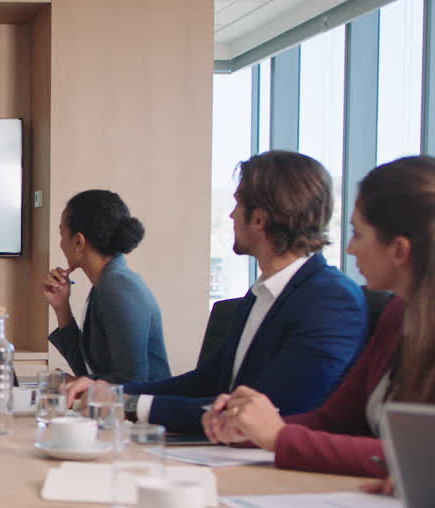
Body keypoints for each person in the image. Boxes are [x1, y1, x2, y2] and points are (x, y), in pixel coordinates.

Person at [66, 151, 368, 435]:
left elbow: (272, 411)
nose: (231, 216)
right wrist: (115, 394)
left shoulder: (330, 300)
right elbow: (209, 380)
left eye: (237, 204)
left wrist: (129, 404)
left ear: (259, 219)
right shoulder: (261, 295)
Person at [204, 156, 435, 491]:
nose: (350, 248)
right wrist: (249, 430)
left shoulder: (336, 299)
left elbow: (420, 460)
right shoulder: (398, 314)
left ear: (399, 250)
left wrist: (279, 437)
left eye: (357, 233)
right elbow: (334, 420)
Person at [42, 190, 170, 384]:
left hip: (142, 411)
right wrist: (61, 307)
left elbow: (132, 382)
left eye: (62, 234)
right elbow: (85, 369)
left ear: (78, 241)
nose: (61, 243)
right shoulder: (106, 283)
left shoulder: (119, 288)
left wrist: (76, 383)